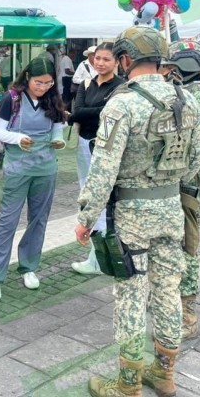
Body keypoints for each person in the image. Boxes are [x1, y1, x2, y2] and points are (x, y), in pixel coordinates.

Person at [74, 26, 200, 397]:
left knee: (131, 293)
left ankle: (127, 384)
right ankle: (164, 372)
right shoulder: (187, 99)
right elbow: (197, 160)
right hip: (171, 209)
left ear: (126, 59)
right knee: (167, 290)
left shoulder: (123, 103)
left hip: (131, 213)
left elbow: (103, 170)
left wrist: (85, 219)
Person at [0, 57, 67, 301]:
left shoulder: (52, 98)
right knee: (7, 220)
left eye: (48, 83)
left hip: (46, 167)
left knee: (38, 219)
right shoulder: (11, 99)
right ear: (28, 77)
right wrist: (18, 138)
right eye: (38, 82)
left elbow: (57, 126)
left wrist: (58, 139)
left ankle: (29, 267)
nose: (43, 87)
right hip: (18, 168)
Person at [162, 41, 200, 339]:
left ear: (181, 68)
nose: (166, 72)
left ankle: (187, 312)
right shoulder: (187, 94)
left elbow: (194, 147)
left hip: (187, 182)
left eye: (171, 67)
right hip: (175, 180)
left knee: (186, 246)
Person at [68, 42, 124, 275]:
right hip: (84, 144)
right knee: (87, 194)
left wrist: (87, 113)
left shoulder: (122, 87)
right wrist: (98, 110)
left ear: (117, 62)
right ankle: (97, 256)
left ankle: (99, 259)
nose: (100, 63)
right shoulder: (87, 83)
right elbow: (77, 112)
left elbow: (102, 114)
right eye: (97, 58)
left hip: (106, 147)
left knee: (103, 197)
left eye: (106, 59)